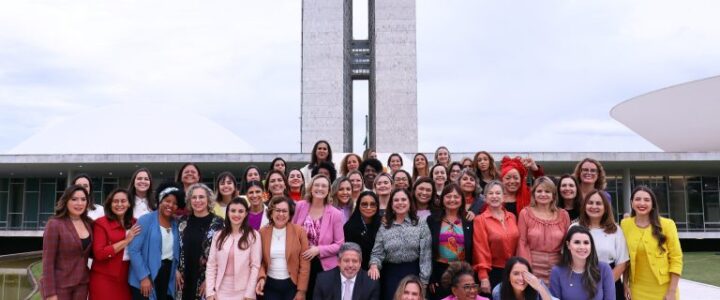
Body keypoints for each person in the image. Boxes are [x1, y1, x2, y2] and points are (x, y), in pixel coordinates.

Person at [369, 188, 432, 300]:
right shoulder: (385, 226)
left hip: (414, 273)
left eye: (403, 199)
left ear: (409, 202)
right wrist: (374, 265)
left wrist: (424, 282)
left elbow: (426, 255)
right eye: (396, 200)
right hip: (390, 275)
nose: (400, 203)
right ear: (392, 204)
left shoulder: (420, 224)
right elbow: (377, 253)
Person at [621, 186, 682, 300]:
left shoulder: (667, 224)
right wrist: (625, 284)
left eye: (647, 200)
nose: (642, 203)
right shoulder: (625, 224)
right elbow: (625, 259)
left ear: (653, 204)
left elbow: (676, 258)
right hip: (637, 290)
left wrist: (672, 291)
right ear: (632, 203)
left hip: (664, 289)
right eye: (637, 199)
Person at [292, 174, 346, 299]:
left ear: (328, 191)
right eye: (317, 185)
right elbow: (292, 231)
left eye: (324, 186)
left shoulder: (335, 213)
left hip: (323, 267)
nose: (320, 188)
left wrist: (318, 250)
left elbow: (340, 245)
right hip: (300, 263)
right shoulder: (300, 206)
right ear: (311, 188)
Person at [128, 181, 184, 300]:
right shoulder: (145, 220)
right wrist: (143, 277)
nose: (171, 205)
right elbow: (133, 250)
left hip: (167, 274)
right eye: (167, 201)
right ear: (160, 200)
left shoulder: (175, 224)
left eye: (175, 203)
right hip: (146, 273)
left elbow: (173, 252)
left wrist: (175, 270)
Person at [572, 190, 628, 299]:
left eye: (598, 203)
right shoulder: (575, 228)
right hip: (580, 283)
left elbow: (622, 263)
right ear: (584, 206)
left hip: (610, 283)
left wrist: (602, 285)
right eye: (590, 202)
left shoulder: (615, 230)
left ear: (605, 207)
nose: (594, 206)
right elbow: (567, 259)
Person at [41, 185, 94, 300]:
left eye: (83, 199)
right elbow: (47, 262)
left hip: (82, 285)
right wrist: (50, 294)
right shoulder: (55, 224)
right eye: (74, 199)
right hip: (60, 286)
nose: (79, 203)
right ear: (66, 201)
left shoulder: (89, 223)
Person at [205, 197, 261, 300]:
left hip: (244, 291)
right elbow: (211, 264)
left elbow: (255, 266)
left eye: (241, 211)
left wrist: (249, 293)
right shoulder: (218, 235)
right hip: (220, 290)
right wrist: (209, 292)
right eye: (233, 211)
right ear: (227, 213)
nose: (236, 214)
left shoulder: (253, 235)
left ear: (246, 213)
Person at [516, 177, 570, 284]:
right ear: (534, 194)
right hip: (533, 266)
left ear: (553, 195)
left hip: (558, 267)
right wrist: (526, 269)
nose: (543, 194)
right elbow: (522, 243)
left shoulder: (563, 215)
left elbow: (568, 243)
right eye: (539, 191)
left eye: (547, 191)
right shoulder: (525, 213)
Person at [90, 188, 141, 300]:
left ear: (129, 204)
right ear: (110, 204)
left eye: (123, 201)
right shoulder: (101, 223)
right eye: (115, 201)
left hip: (127, 277)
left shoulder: (136, 222)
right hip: (104, 277)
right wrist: (126, 241)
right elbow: (99, 253)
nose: (119, 204)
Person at [256, 196, 310, 300]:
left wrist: (301, 290)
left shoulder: (299, 231)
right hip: (270, 285)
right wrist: (261, 277)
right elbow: (260, 260)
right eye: (277, 210)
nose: (281, 214)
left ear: (290, 214)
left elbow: (305, 263)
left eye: (285, 211)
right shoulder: (262, 232)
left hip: (292, 285)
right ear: (271, 213)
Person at [177, 183, 225, 300]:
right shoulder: (182, 222)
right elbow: (175, 249)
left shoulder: (219, 223)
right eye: (194, 197)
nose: (197, 200)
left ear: (208, 199)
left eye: (201, 197)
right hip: (183, 280)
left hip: (206, 282)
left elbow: (223, 255)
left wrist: (210, 280)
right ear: (189, 201)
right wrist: (175, 271)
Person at [428, 184, 475, 300]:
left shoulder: (469, 220)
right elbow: (427, 250)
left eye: (456, 196)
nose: (452, 200)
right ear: (442, 199)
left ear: (462, 200)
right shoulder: (432, 220)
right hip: (439, 272)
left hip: (462, 272)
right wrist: (431, 277)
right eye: (448, 196)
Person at [473, 181, 519, 295]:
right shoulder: (480, 219)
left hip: (513, 270)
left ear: (504, 197)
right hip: (493, 272)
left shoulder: (512, 217)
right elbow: (480, 249)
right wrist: (483, 277)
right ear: (486, 197)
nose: (494, 196)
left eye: (498, 193)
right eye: (491, 193)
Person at [550, 226, 615, 300]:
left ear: (591, 245)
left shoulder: (604, 269)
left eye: (586, 243)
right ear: (568, 245)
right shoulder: (557, 271)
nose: (582, 247)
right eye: (577, 242)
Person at [312, 242, 381, 300]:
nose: (350, 265)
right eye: (346, 260)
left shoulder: (371, 283)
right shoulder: (323, 280)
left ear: (360, 263)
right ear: (339, 262)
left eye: (355, 261)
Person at [343, 191, 382, 270]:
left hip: (381, 268)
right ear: (358, 206)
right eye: (364, 204)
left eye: (372, 204)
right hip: (357, 270)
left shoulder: (383, 224)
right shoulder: (349, 227)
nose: (368, 207)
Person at [491, 257, 555, 300]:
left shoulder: (538, 285)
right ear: (508, 276)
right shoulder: (498, 291)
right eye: (516, 273)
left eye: (524, 274)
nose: (521, 278)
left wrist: (539, 287)